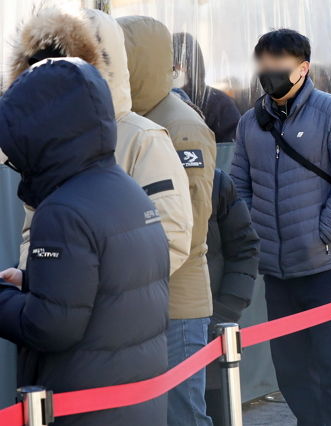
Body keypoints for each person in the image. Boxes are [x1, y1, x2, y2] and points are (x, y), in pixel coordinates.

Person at [0, 57, 170, 425]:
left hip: (86, 407)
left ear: (39, 136)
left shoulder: (62, 210)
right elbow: (113, 287)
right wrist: (32, 281)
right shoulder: (126, 190)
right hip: (135, 399)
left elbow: (50, 326)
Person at [231, 29, 331, 425]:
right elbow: (239, 184)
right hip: (278, 269)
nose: (269, 71)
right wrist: (255, 232)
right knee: (291, 369)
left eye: (279, 64)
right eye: (264, 64)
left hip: (327, 265)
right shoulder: (249, 123)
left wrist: (323, 231)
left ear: (303, 68)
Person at [8, 8, 193, 275]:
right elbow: (34, 234)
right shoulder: (46, 145)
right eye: (39, 67)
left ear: (99, 67)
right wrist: (29, 276)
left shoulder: (142, 139)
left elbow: (170, 239)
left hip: (116, 312)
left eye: (65, 66)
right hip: (54, 311)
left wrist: (85, 284)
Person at [118, 15, 217, 426]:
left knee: (181, 414)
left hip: (175, 300)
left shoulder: (180, 126)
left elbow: (187, 227)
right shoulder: (132, 119)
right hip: (145, 293)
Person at [204, 169, 260, 423]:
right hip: (153, 342)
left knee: (218, 411)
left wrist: (225, 312)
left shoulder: (215, 182)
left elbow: (244, 248)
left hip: (213, 330)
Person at [173, 32, 242, 142]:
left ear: (193, 66)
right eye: (171, 66)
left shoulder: (218, 103)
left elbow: (229, 150)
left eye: (180, 65)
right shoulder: (159, 101)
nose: (176, 71)